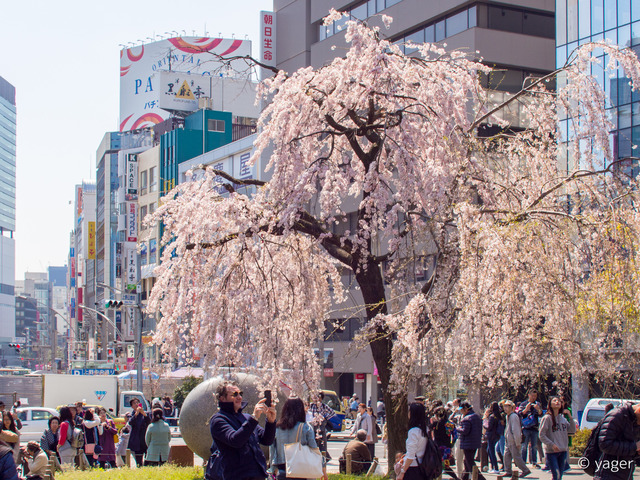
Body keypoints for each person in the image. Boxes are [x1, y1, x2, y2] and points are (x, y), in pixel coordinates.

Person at [209, 381, 277, 480]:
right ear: (222, 398)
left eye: (240, 394)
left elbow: (267, 440)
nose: (239, 397)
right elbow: (235, 440)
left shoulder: (246, 417)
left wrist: (271, 422)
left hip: (259, 475)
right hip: (237, 476)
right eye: (234, 394)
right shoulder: (218, 420)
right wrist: (254, 418)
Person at [270, 397, 320, 479]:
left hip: (282, 470)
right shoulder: (306, 427)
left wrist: (273, 468)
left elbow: (272, 449)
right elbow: (313, 448)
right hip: (300, 469)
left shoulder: (277, 428)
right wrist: (322, 465)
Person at [593, 402, 640, 480]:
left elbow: (628, 450)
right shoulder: (617, 415)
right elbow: (604, 444)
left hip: (625, 473)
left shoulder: (634, 419)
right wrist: (635, 446)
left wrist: (637, 452)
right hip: (608, 475)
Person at [539, 396, 575, 480]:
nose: (557, 402)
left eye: (559, 401)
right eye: (554, 401)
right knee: (556, 475)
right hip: (552, 452)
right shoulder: (547, 418)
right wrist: (552, 444)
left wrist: (570, 417)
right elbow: (541, 435)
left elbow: (572, 430)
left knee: (559, 477)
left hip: (563, 451)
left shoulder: (562, 418)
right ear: (550, 404)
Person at [396, 402, 428, 480]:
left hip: (412, 468)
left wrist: (402, 472)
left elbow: (411, 456)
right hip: (423, 466)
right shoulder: (426, 430)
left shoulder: (413, 431)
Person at [457, 401, 486, 480]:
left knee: (469, 462)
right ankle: (464, 477)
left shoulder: (466, 419)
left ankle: (480, 478)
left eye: (461, 410)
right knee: (467, 462)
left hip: (468, 443)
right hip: (475, 442)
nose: (461, 411)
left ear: (465, 409)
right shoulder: (477, 417)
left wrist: (457, 428)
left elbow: (465, 431)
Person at [502, 400, 531, 478]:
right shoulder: (507, 416)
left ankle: (525, 470)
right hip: (508, 440)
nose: (505, 408)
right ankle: (508, 471)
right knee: (506, 456)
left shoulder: (514, 416)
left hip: (513, 440)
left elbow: (516, 430)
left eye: (507, 406)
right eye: (504, 406)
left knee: (516, 457)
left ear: (512, 407)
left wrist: (518, 442)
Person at [431, 405, 459, 480]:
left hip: (436, 447)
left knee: (436, 465)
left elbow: (428, 433)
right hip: (447, 448)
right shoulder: (450, 423)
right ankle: (456, 477)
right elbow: (455, 436)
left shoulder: (435, 423)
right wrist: (451, 444)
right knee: (445, 465)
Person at [518, 389, 543, 468]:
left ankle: (534, 462)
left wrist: (538, 409)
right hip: (525, 427)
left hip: (534, 427)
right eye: (532, 396)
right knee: (524, 446)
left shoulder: (537, 404)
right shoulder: (524, 404)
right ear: (529, 395)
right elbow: (520, 414)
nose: (534, 398)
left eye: (535, 396)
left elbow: (541, 414)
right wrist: (526, 409)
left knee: (534, 445)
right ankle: (523, 461)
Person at [308, 392, 336, 460]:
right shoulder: (311, 406)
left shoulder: (324, 406)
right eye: (315, 397)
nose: (317, 399)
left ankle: (325, 458)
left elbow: (333, 412)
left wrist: (325, 417)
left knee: (323, 445)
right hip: (312, 428)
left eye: (319, 397)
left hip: (321, 428)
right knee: (313, 445)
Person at [125, 397, 151, 467]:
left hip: (144, 440)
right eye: (134, 403)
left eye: (137, 403)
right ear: (132, 406)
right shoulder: (132, 415)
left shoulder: (145, 414)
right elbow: (130, 422)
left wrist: (144, 414)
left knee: (147, 460)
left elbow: (149, 422)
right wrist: (136, 414)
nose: (136, 404)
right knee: (139, 461)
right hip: (136, 441)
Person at [485, 402, 502, 474]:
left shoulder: (492, 416)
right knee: (489, 450)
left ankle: (495, 467)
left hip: (491, 435)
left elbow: (489, 427)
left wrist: (484, 424)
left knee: (491, 451)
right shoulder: (498, 416)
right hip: (496, 435)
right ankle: (493, 466)